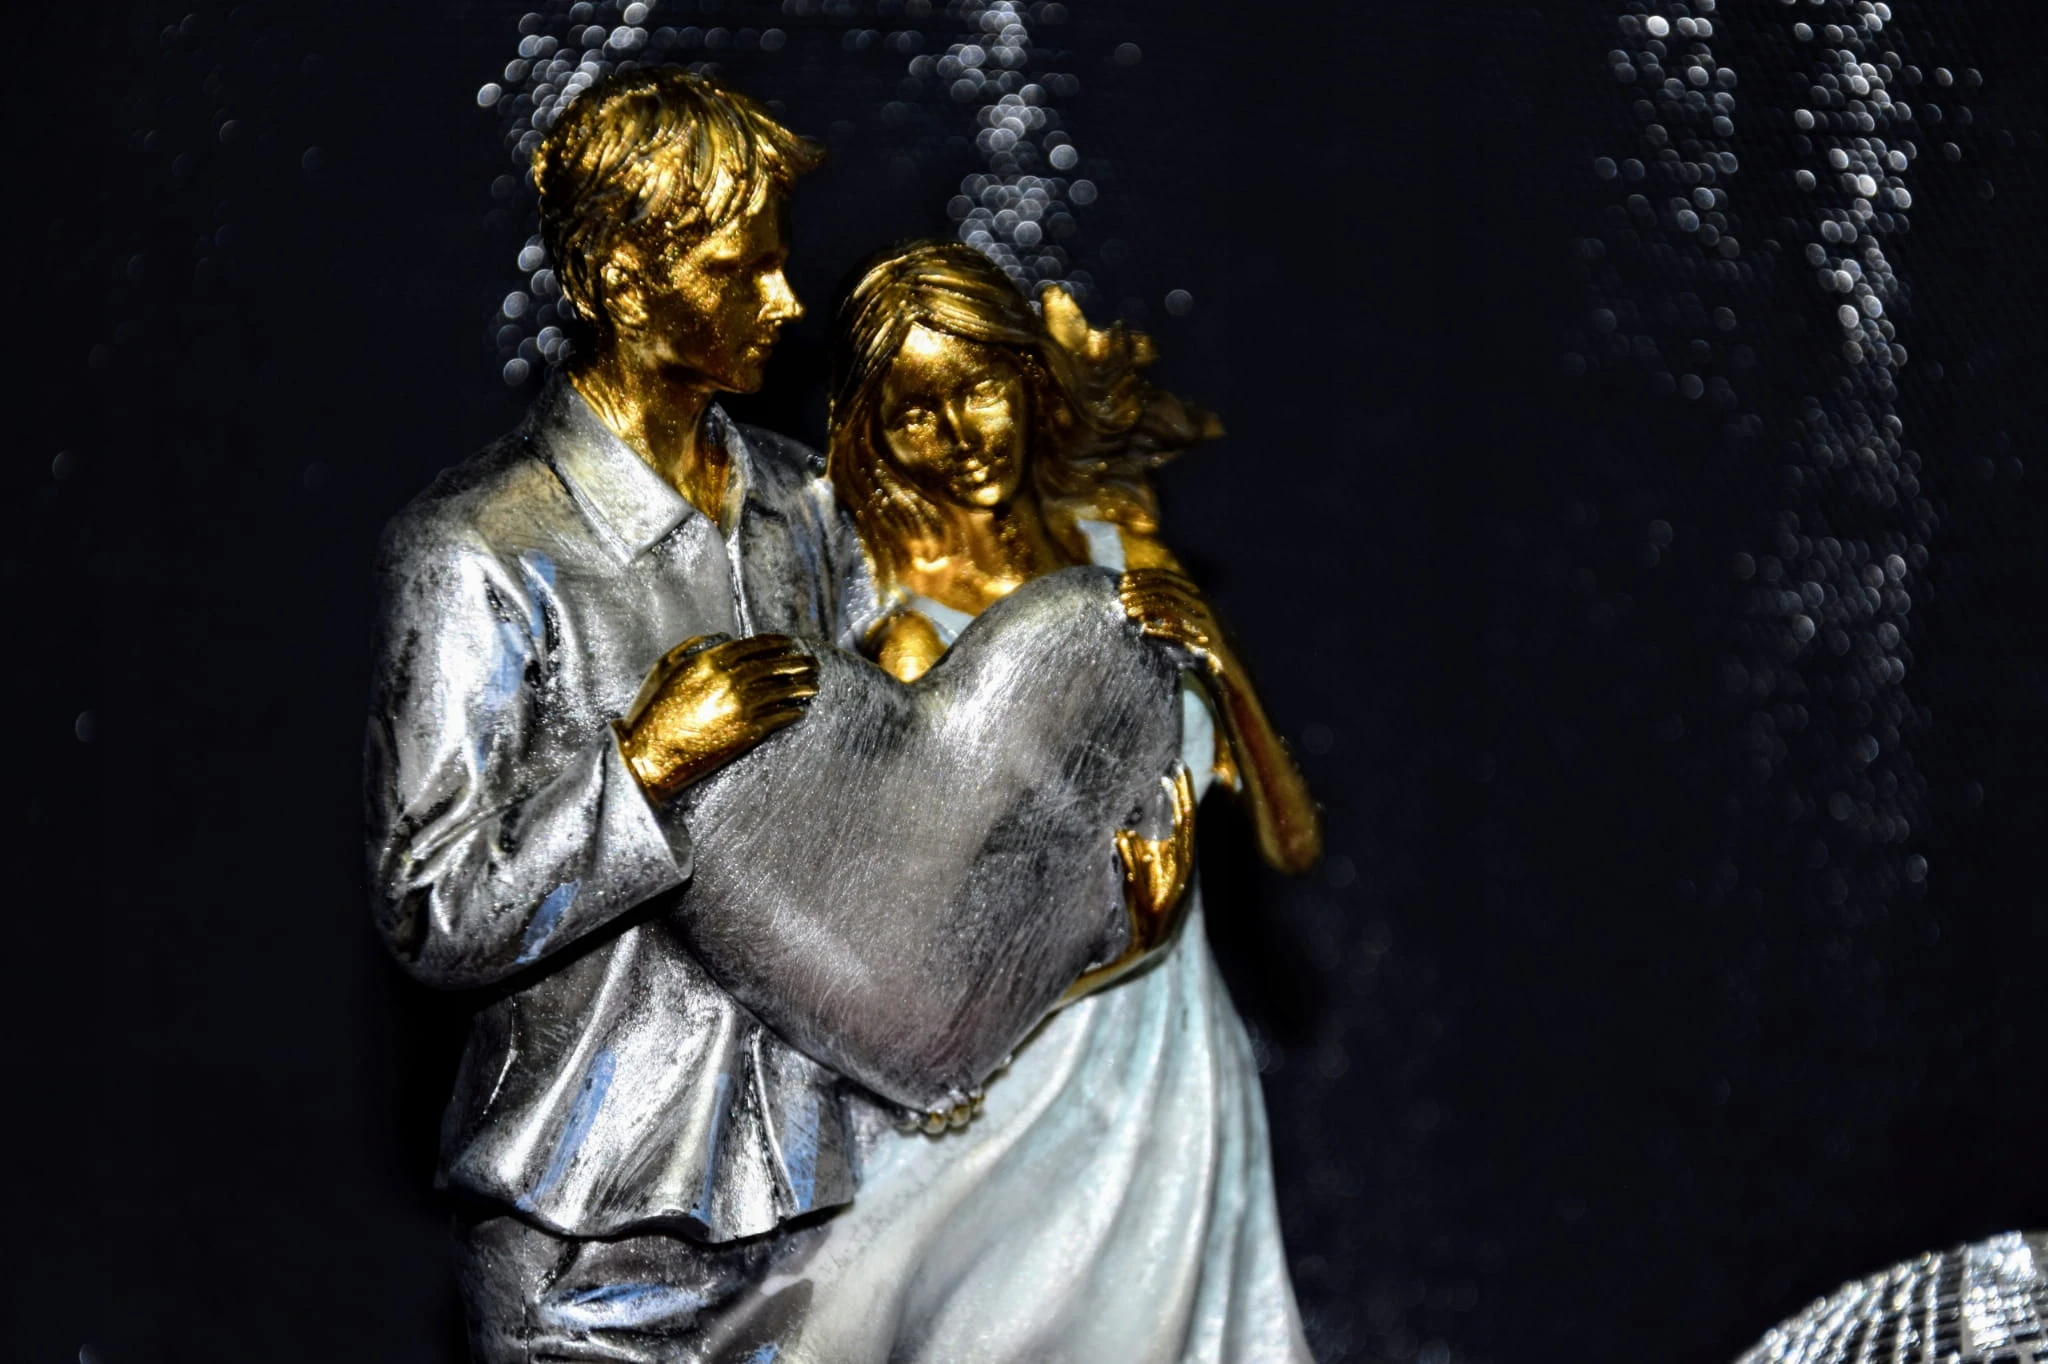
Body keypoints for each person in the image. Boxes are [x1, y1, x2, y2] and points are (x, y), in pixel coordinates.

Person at [366, 74, 1196, 1362]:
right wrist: (643, 770)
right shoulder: (481, 553)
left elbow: (923, 856)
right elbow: (432, 905)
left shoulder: (811, 518)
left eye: (779, 260)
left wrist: (1099, 919)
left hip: (817, 1248)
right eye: (738, 269)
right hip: (585, 1260)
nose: (787, 301)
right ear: (624, 281)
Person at [771, 239, 1321, 1361]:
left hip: (1175, 1064)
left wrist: (1219, 659)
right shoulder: (903, 643)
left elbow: (1293, 842)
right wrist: (1125, 944)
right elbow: (911, 975)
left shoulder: (1124, 550)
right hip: (1024, 1096)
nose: (961, 433)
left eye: (979, 385)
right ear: (873, 436)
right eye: (915, 413)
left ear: (1027, 374)